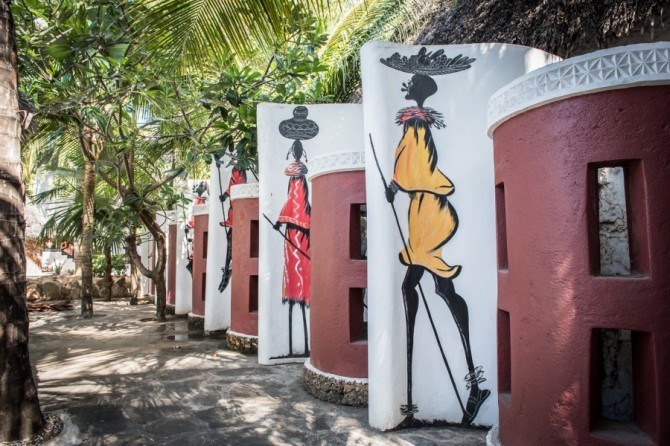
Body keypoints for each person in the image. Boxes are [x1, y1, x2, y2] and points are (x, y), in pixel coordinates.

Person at [380, 48, 490, 426]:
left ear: (418, 89)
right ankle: (421, 398)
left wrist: (396, 184)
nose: (407, 85)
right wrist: (398, 185)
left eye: (411, 82)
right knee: (433, 288)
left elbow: (419, 166)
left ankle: (463, 387)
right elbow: (410, 163)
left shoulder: (416, 124)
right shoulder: (413, 123)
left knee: (425, 286)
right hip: (421, 210)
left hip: (428, 210)